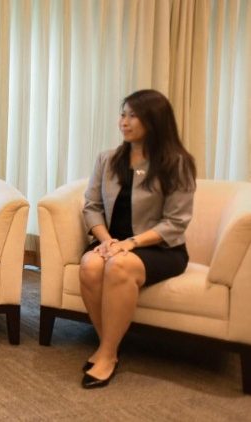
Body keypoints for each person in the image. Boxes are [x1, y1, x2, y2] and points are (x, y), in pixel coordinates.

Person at [79, 89, 197, 389]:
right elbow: (91, 206)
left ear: (154, 121)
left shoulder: (176, 162)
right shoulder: (107, 159)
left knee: (118, 267)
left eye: (134, 115)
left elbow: (176, 222)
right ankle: (112, 342)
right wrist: (107, 241)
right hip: (113, 242)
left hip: (158, 248)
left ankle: (107, 355)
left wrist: (129, 244)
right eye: (123, 114)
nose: (125, 122)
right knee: (90, 265)